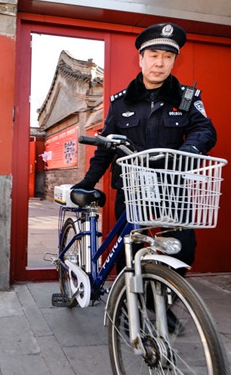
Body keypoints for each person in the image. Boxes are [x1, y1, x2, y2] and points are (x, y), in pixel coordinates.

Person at [72, 22, 217, 274]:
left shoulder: (185, 98)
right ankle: (127, 307)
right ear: (141, 59)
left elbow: (204, 130)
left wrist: (191, 150)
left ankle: (162, 302)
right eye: (153, 56)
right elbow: (106, 146)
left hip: (172, 186)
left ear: (174, 62)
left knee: (182, 248)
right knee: (128, 251)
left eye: (167, 56)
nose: (160, 63)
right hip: (131, 187)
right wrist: (88, 181)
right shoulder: (121, 102)